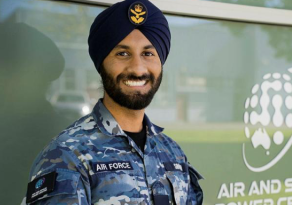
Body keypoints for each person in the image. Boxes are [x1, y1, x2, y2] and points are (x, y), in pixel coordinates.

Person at [24, 0, 203, 204]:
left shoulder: (173, 153)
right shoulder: (67, 155)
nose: (137, 68)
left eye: (148, 53)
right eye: (123, 53)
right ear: (102, 65)